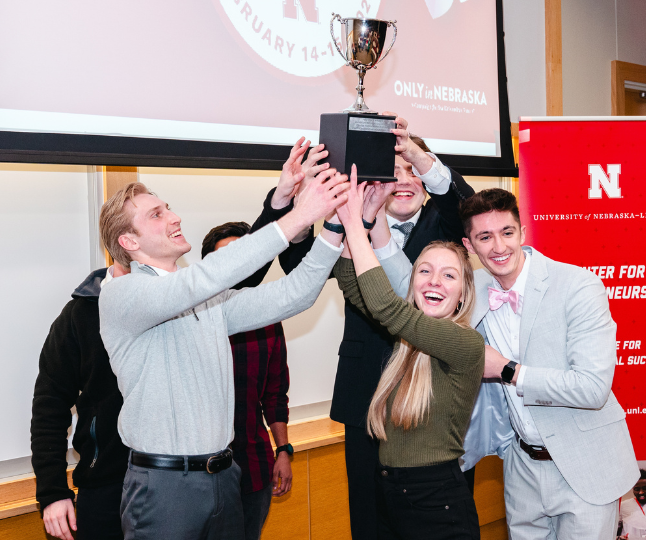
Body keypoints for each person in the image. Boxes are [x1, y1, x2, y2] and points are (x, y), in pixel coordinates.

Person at [247, 119, 474, 539]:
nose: (402, 180)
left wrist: (419, 157)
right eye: (393, 169)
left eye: (411, 171)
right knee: (368, 519)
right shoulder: (355, 224)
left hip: (431, 404)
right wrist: (304, 207)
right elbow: (300, 269)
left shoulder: (446, 230)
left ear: (425, 180)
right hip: (365, 390)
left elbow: (464, 204)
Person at [97, 161, 348, 540]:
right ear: (129, 242)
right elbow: (208, 275)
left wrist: (332, 227)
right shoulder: (122, 294)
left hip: (224, 478)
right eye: (157, 214)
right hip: (165, 488)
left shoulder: (203, 297)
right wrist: (298, 214)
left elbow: (292, 295)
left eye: (168, 207)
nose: (174, 217)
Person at [378, 188, 640, 540]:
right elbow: (410, 283)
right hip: (520, 468)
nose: (499, 247)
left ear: (523, 233)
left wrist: (508, 370)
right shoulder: (473, 288)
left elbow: (592, 388)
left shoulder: (578, 285)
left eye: (507, 233)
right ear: (469, 245)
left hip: (585, 466)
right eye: (485, 237)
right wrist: (367, 220)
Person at [334, 167, 484, 539]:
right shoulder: (409, 336)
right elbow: (352, 282)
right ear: (412, 281)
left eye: (449, 276)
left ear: (463, 293)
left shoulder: (463, 342)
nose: (434, 281)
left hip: (437, 500)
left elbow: (387, 308)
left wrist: (357, 222)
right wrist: (362, 216)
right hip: (393, 492)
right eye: (425, 271)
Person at [201, 221, 294, 540]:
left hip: (254, 465)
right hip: (203, 471)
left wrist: (284, 450)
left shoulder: (266, 317)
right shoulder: (193, 317)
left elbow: (275, 393)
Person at [31, 263, 130, 540]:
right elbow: (49, 405)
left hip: (171, 484)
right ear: (125, 239)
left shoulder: (179, 302)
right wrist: (52, 492)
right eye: (156, 215)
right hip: (104, 485)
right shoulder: (79, 314)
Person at [617, 470, 646, 540]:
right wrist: (618, 538)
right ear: (633, 488)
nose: (641, 492)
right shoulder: (623, 507)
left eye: (645, 488)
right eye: (637, 489)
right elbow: (613, 532)